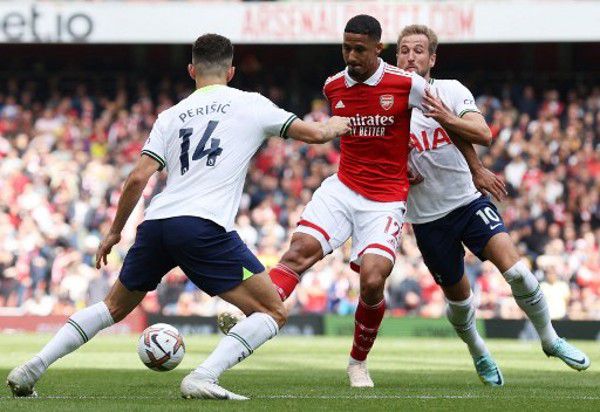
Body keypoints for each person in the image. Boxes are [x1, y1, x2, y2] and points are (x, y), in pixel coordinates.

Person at [7, 33, 351, 400]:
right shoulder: (251, 104)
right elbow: (315, 134)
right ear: (232, 71)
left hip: (158, 224)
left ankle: (33, 367)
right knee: (272, 310)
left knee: (112, 307)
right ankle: (204, 375)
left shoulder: (170, 117)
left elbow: (138, 176)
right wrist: (341, 123)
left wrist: (113, 232)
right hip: (203, 225)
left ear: (191, 70)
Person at [395, 24, 590, 385]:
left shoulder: (450, 91)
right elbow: (370, 155)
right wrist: (398, 166)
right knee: (459, 302)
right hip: (426, 219)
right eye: (404, 50)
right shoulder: (389, 107)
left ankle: (550, 338)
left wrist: (446, 119)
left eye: (418, 50)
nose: (410, 56)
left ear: (432, 58)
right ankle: (478, 351)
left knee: (517, 271)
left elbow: (483, 133)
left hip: (467, 203)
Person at [261, 15, 430, 388]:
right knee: (298, 251)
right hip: (343, 186)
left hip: (385, 199)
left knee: (372, 280)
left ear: (377, 49)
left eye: (359, 49)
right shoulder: (333, 86)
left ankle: (357, 362)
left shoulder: (406, 85)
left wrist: (437, 162)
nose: (350, 55)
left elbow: (437, 122)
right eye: (345, 47)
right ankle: (252, 317)